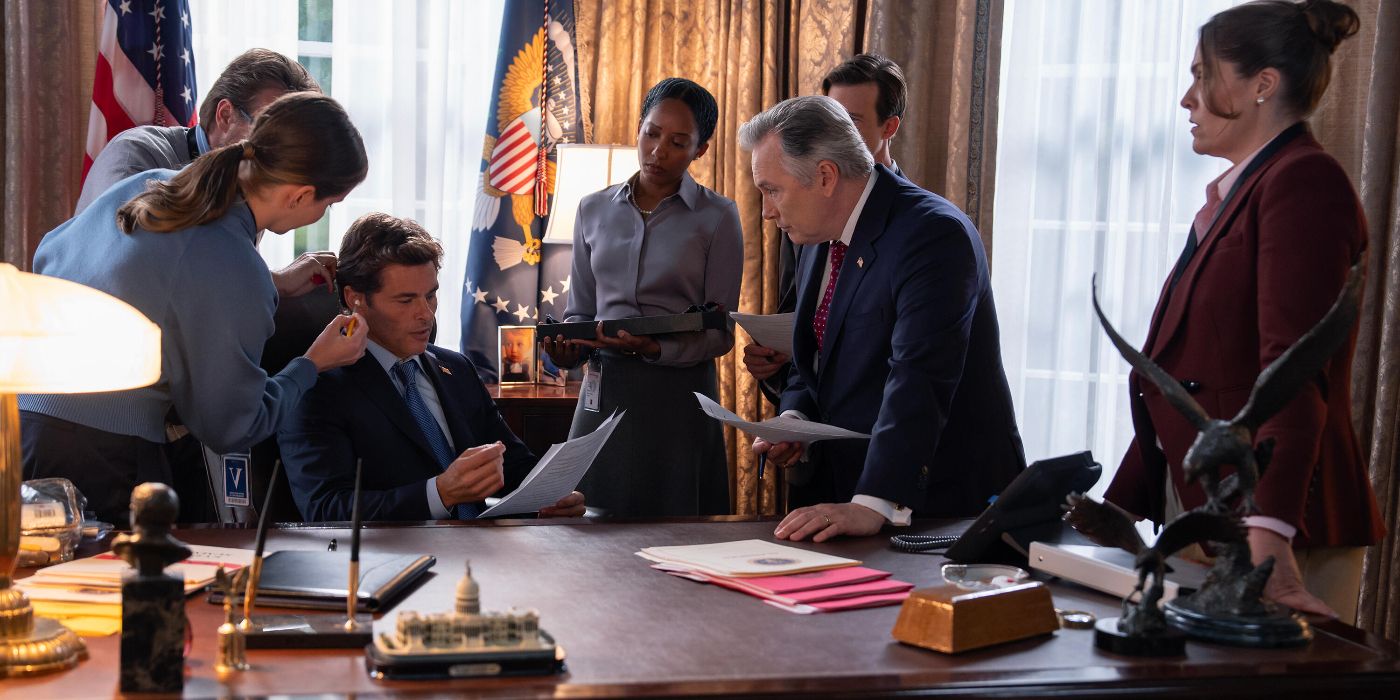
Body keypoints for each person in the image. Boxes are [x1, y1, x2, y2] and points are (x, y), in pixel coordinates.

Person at [1104, 0, 1383, 621]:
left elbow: (1291, 372)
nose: (1187, 98)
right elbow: (1189, 378)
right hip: (1216, 512)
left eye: (1204, 75)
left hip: (1273, 528)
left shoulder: (1303, 182)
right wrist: (1122, 507)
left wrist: (1268, 535)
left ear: (1263, 85)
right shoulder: (1243, 192)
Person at [20, 92, 370, 524]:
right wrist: (312, 365)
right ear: (300, 195)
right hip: (104, 454)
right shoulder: (233, 263)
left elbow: (50, 255)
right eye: (328, 204)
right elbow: (230, 426)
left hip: (26, 427)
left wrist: (272, 285)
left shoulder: (150, 183)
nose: (321, 214)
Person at [742, 95, 1025, 542]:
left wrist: (873, 500)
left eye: (772, 190)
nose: (766, 211)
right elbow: (817, 354)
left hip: (939, 505)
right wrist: (794, 419)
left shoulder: (933, 235)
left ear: (825, 176)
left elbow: (919, 378)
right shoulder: (815, 233)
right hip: (845, 496)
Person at [277, 213, 584, 521]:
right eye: (406, 300)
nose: (426, 314)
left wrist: (551, 493)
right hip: (393, 560)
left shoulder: (457, 368)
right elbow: (325, 509)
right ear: (354, 298)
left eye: (431, 295)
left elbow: (514, 464)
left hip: (482, 554)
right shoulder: (317, 388)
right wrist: (440, 494)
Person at [541, 78, 743, 517]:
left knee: (676, 534)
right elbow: (580, 312)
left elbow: (721, 333)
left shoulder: (719, 217)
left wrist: (654, 347)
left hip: (679, 398)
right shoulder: (591, 208)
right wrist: (568, 349)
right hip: (603, 393)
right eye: (651, 133)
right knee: (586, 533)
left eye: (677, 141)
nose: (658, 151)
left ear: (700, 150)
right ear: (638, 128)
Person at [744, 54, 911, 407]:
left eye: (848, 123)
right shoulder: (807, 214)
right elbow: (805, 328)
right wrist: (791, 406)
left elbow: (912, 384)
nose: (832, 134)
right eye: (827, 117)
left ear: (889, 127)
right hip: (817, 443)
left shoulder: (919, 232)